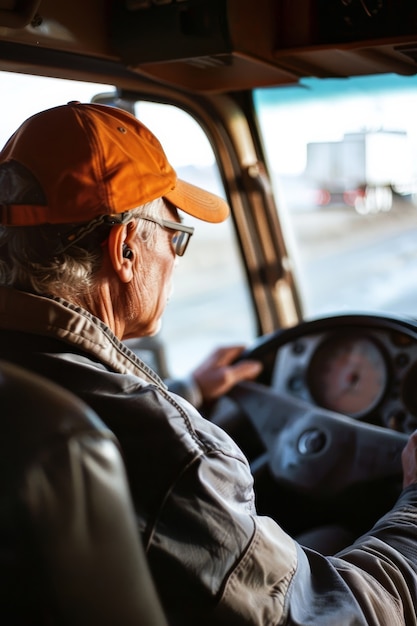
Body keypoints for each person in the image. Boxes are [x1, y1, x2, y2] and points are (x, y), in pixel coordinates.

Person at [0, 102, 417, 626]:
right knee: (332, 540)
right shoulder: (177, 453)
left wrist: (190, 389)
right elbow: (341, 617)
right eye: (176, 236)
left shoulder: (24, 386)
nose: (175, 257)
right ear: (126, 249)